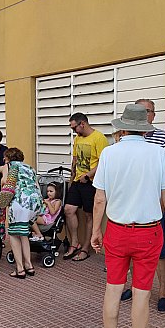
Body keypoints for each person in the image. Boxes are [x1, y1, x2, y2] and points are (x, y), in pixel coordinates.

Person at [90, 104, 165, 328]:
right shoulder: (158, 153)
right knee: (141, 293)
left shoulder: (109, 153)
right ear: (145, 128)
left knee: (113, 289)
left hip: (117, 231)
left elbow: (100, 198)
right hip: (148, 233)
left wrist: (96, 230)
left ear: (123, 128)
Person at [120, 99, 165, 312]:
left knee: (160, 251)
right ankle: (133, 286)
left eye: (148, 111)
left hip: (155, 207)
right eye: (140, 111)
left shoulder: (163, 138)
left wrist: (163, 200)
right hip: (128, 207)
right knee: (131, 249)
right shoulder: (123, 139)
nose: (144, 115)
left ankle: (163, 292)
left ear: (154, 115)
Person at [64, 112, 109, 261]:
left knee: (89, 215)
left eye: (74, 128)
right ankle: (74, 243)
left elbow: (103, 163)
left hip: (91, 183)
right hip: (78, 181)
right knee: (69, 210)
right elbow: (75, 159)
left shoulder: (99, 138)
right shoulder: (78, 138)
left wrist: (88, 175)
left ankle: (85, 248)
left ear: (82, 124)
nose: (73, 131)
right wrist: (72, 178)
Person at [1, 147, 46, 278]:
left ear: (8, 158)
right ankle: (29, 266)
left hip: (19, 203)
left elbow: (5, 182)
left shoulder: (9, 166)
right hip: (34, 204)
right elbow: (36, 186)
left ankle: (20, 269)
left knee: (14, 235)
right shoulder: (30, 168)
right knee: (24, 234)